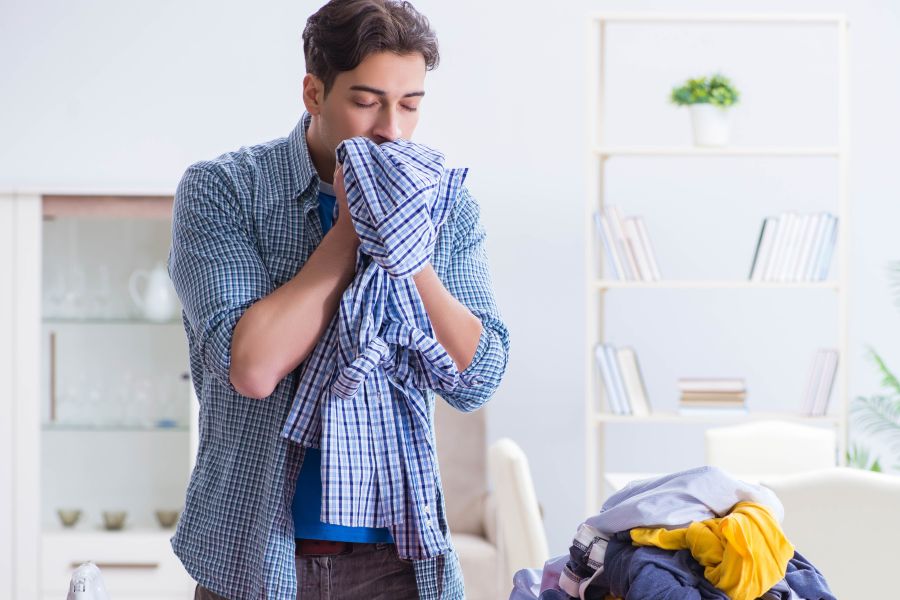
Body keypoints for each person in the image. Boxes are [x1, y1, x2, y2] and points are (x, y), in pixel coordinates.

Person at [167, 0, 510, 598]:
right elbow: (251, 367)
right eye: (366, 100)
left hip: (398, 560)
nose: (391, 130)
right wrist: (350, 229)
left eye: (409, 104)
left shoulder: (445, 205)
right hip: (252, 555)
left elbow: (476, 378)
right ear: (313, 93)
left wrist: (409, 253)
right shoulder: (223, 190)